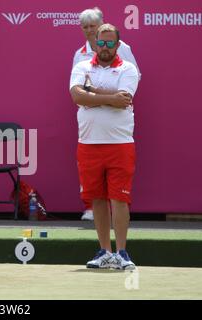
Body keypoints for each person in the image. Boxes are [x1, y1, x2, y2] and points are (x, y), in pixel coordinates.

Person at [69, 24, 139, 270]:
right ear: (95, 43)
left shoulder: (128, 69)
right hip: (88, 144)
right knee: (97, 199)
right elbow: (77, 97)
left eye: (110, 43)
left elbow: (124, 100)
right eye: (102, 42)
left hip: (120, 144)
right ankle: (104, 252)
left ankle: (121, 252)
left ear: (118, 45)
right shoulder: (82, 66)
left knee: (119, 199)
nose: (106, 47)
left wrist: (92, 93)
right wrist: (108, 97)